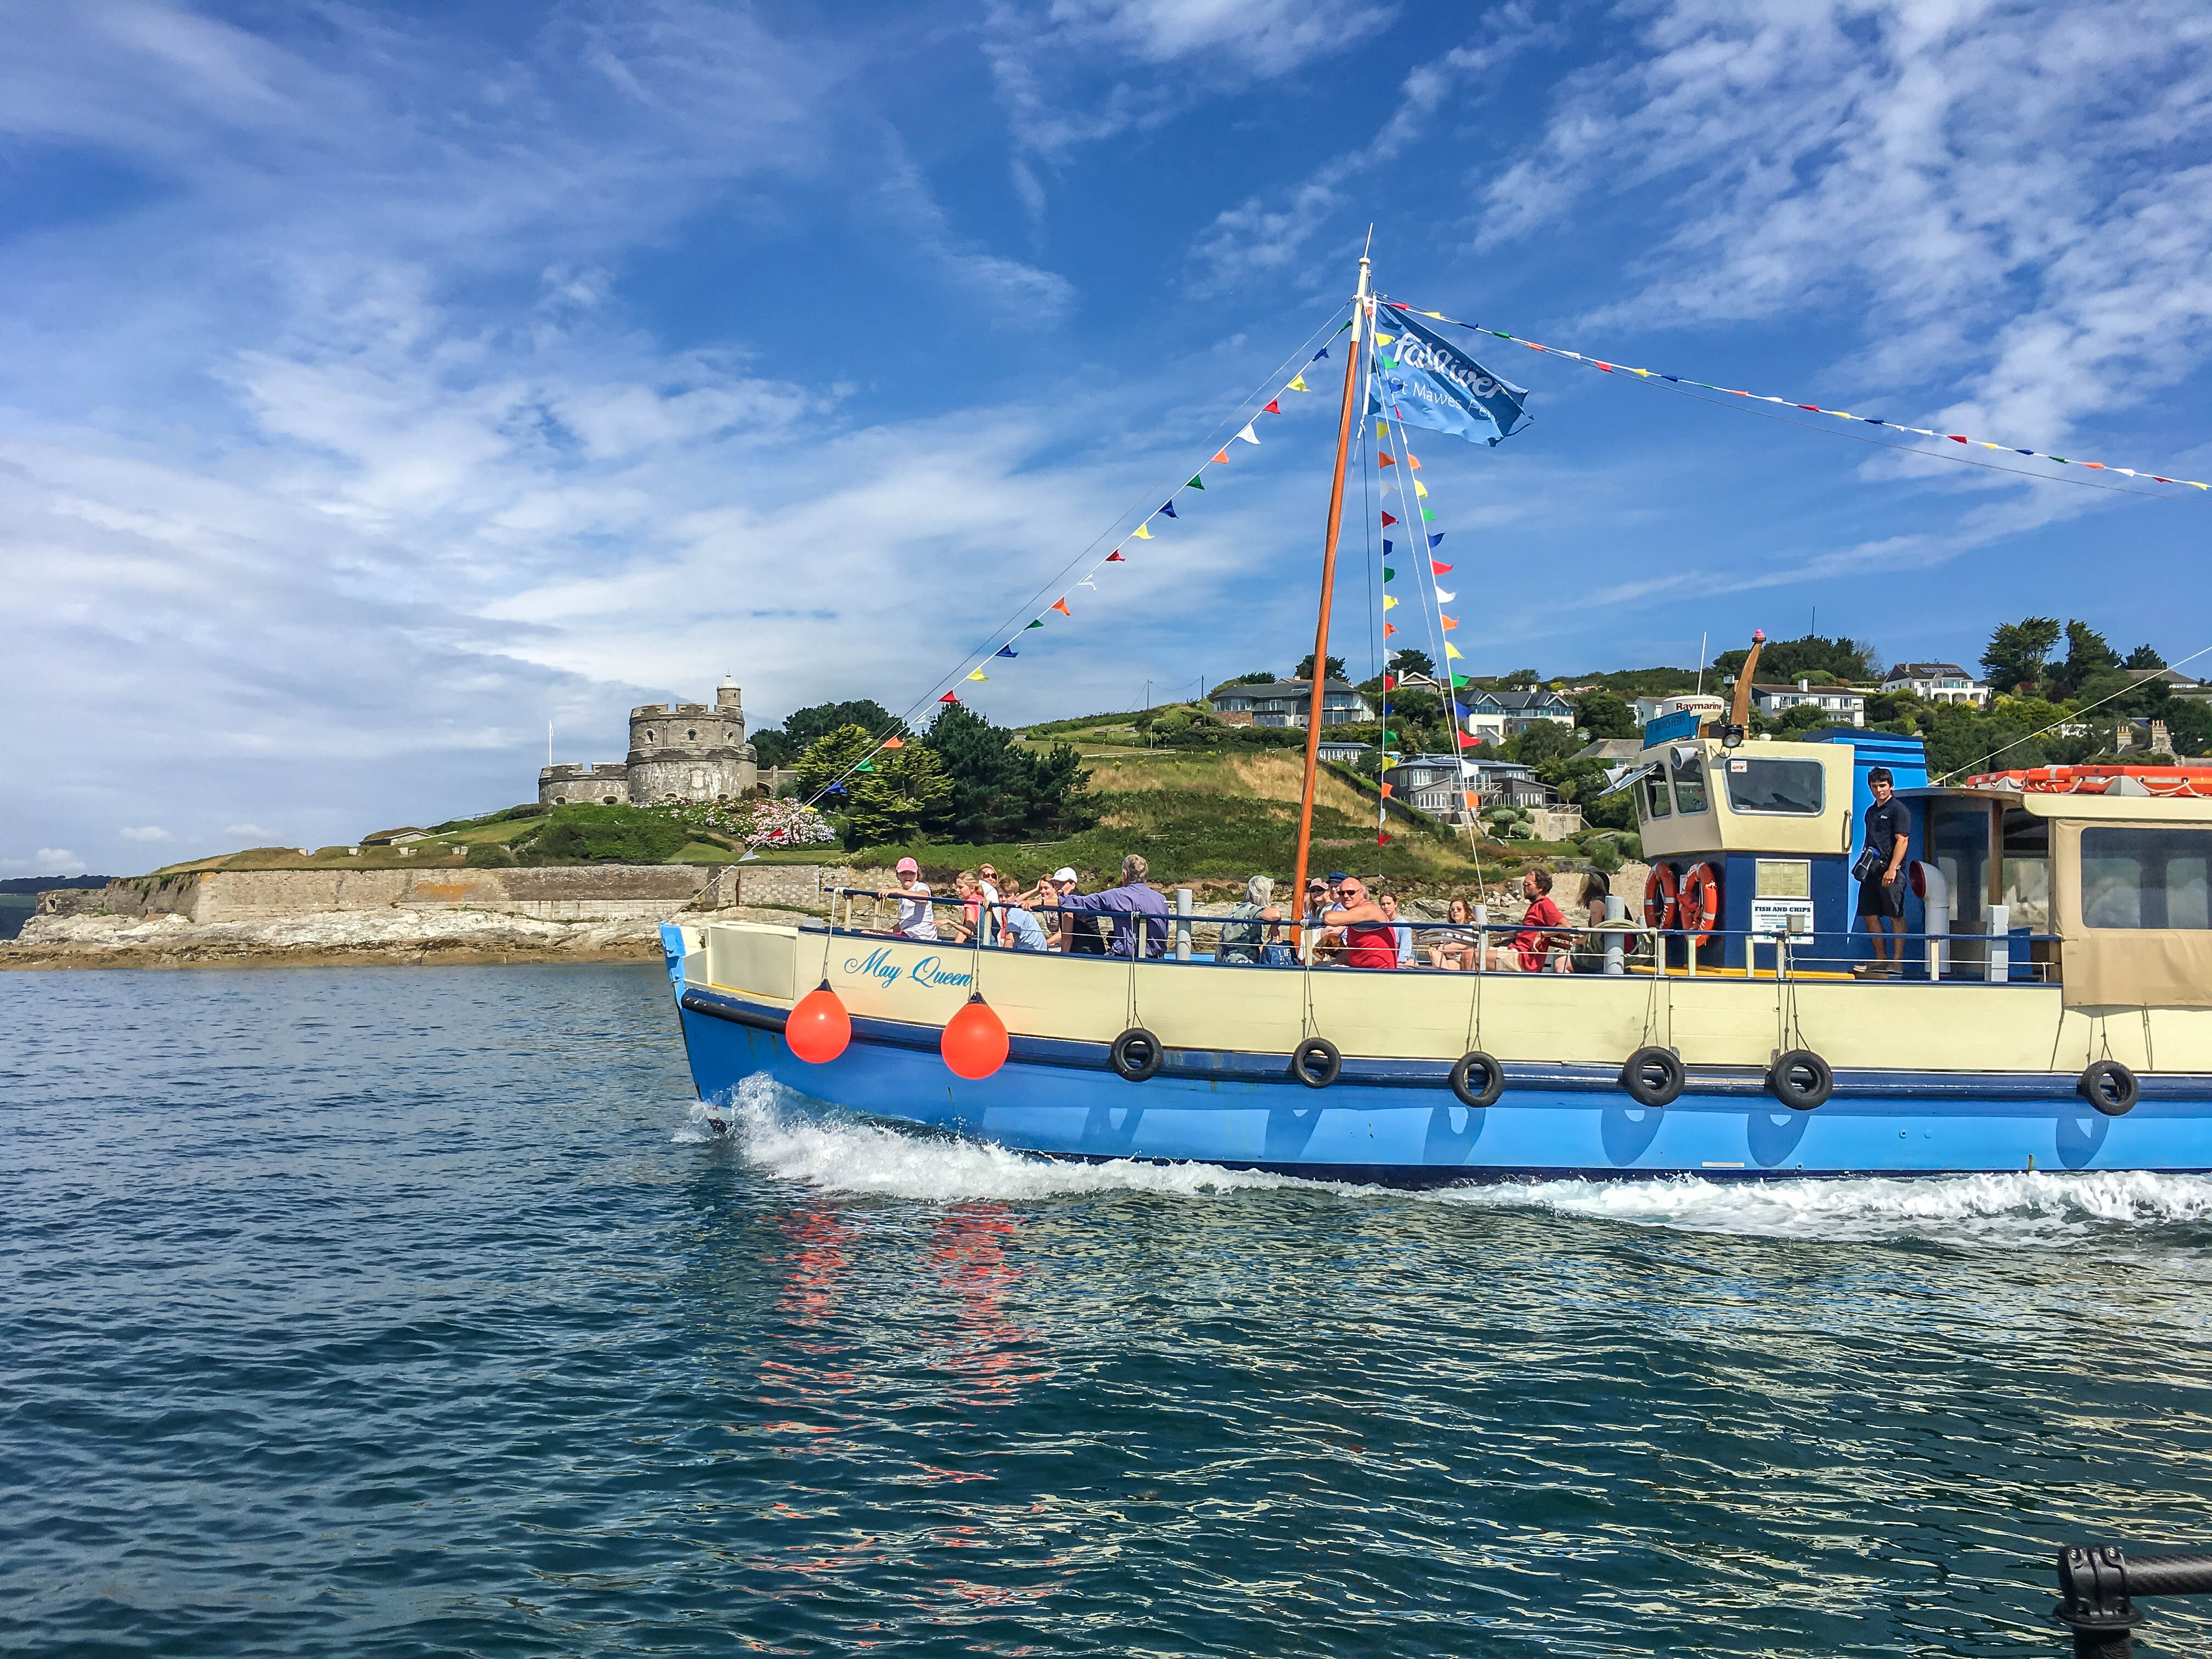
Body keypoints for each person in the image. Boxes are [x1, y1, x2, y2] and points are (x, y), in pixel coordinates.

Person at [1056, 854, 1171, 958]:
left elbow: (1082, 903)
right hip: (1157, 959)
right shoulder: (1161, 899)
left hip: (1124, 957)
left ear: (1125, 875)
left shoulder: (1116, 896)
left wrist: (1046, 901)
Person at [1855, 765, 1912, 977]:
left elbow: (1902, 840)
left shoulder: (1899, 810)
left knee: (1895, 915)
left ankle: (1897, 962)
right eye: (1875, 786)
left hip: (1891, 871)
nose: (1879, 790)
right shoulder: (1871, 811)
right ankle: (1881, 960)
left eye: (1883, 785)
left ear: (1891, 786)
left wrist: (1893, 869)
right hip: (1871, 870)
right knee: (1870, 914)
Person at [1488, 867, 1564, 972]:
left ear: (1540, 887)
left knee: (1471, 956)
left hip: (1524, 960)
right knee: (1470, 954)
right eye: (1524, 885)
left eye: (1528, 885)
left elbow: (1565, 926)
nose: (1524, 888)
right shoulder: (1535, 906)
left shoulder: (1545, 905)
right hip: (1517, 952)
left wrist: (1542, 934)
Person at [1324, 876, 1398, 969]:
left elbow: (1330, 918)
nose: (1346, 896)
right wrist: (1333, 963)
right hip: (1360, 970)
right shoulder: (1355, 914)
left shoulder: (1369, 910)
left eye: (1351, 892)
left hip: (1378, 973)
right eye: (1342, 893)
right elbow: (1355, 950)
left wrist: (1326, 913)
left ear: (1361, 893)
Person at [1218, 874, 1282, 964]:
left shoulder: (1238, 907)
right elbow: (1275, 914)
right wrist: (1275, 926)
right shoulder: (1251, 910)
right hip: (1242, 962)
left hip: (1226, 960)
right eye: (1271, 893)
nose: (1272, 896)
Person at [1048, 866, 1107, 955]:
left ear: (1073, 885)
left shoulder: (1068, 904)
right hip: (1096, 949)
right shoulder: (1081, 898)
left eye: (1062, 884)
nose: (1058, 888)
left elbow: (1067, 937)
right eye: (1055, 884)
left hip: (1081, 951)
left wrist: (1063, 957)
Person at [1563, 871, 1612, 974]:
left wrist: (1574, 940)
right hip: (1613, 952)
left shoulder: (1597, 904)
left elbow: (1594, 938)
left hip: (1601, 958)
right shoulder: (1609, 901)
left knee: (1561, 955)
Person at [879, 856, 936, 940]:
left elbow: (924, 899)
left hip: (919, 937)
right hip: (908, 935)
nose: (908, 876)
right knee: (868, 933)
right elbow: (905, 923)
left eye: (911, 873)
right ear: (897, 875)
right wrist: (887, 932)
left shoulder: (921, 886)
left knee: (866, 933)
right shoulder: (904, 893)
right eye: (904, 873)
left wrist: (897, 891)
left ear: (917, 875)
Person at [1425, 896, 1478, 971]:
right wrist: (1440, 950)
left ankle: (1444, 977)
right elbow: (1444, 945)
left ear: (1465, 911)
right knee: (1435, 954)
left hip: (1465, 961)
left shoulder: (1472, 926)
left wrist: (1438, 949)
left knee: (1436, 952)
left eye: (1459, 909)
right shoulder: (1448, 928)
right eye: (1452, 910)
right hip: (1451, 960)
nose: (1455, 911)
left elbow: (1462, 945)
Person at [999, 885, 1051, 952]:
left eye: (1007, 896)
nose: (1003, 899)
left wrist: (1002, 958)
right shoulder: (1016, 908)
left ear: (1016, 896)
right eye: (1000, 896)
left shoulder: (1014, 911)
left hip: (1031, 952)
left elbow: (1010, 941)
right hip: (1037, 950)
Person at [1378, 890, 1417, 968]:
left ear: (1395, 904)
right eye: (1383, 904)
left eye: (1389, 904)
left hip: (1403, 961)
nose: (1386, 907)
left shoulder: (1403, 926)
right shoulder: (1379, 924)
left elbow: (1405, 952)